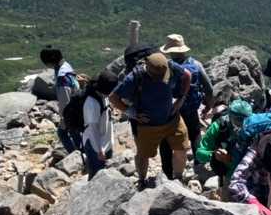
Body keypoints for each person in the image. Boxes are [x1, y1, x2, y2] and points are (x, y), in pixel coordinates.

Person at [110, 52, 192, 189]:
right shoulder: (135, 77)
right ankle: (142, 181)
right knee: (143, 155)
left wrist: (181, 99)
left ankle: (178, 179)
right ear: (147, 69)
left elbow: (187, 75)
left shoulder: (170, 66)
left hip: (172, 119)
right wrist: (133, 113)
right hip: (147, 125)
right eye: (158, 77)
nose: (161, 79)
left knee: (181, 148)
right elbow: (113, 97)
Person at [161, 34, 214, 166]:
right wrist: (208, 105)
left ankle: (169, 168)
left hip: (171, 109)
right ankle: (199, 163)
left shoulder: (166, 66)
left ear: (170, 51)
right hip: (191, 107)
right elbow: (209, 88)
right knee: (195, 133)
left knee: (168, 137)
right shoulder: (196, 64)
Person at [195, 99, 253, 188]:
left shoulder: (256, 127)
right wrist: (214, 155)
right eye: (238, 120)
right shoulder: (218, 127)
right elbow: (200, 153)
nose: (242, 124)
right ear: (229, 116)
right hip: (229, 174)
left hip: (251, 173)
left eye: (246, 120)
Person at [40, 47, 81, 154]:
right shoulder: (66, 66)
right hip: (78, 105)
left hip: (71, 111)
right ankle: (82, 152)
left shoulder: (62, 78)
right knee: (76, 133)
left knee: (64, 133)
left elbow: (65, 101)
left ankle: (77, 155)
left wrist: (64, 118)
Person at [80, 70, 118, 179]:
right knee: (96, 175)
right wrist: (99, 151)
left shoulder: (101, 94)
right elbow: (92, 130)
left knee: (105, 173)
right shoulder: (91, 103)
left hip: (105, 140)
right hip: (95, 146)